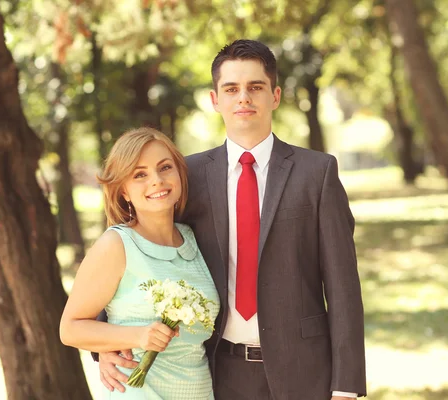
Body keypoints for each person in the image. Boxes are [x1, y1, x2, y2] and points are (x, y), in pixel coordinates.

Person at [98, 39, 367, 399]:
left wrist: (346, 386)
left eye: (255, 87)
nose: (244, 98)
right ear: (215, 100)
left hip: (305, 371)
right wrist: (104, 342)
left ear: (274, 95)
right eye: (231, 89)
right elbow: (137, 244)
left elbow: (343, 285)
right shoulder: (187, 176)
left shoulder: (316, 173)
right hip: (218, 369)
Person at [60, 127, 220, 399]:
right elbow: (70, 328)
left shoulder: (197, 240)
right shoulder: (116, 245)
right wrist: (136, 336)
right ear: (123, 190)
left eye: (165, 167)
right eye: (140, 174)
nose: (157, 181)